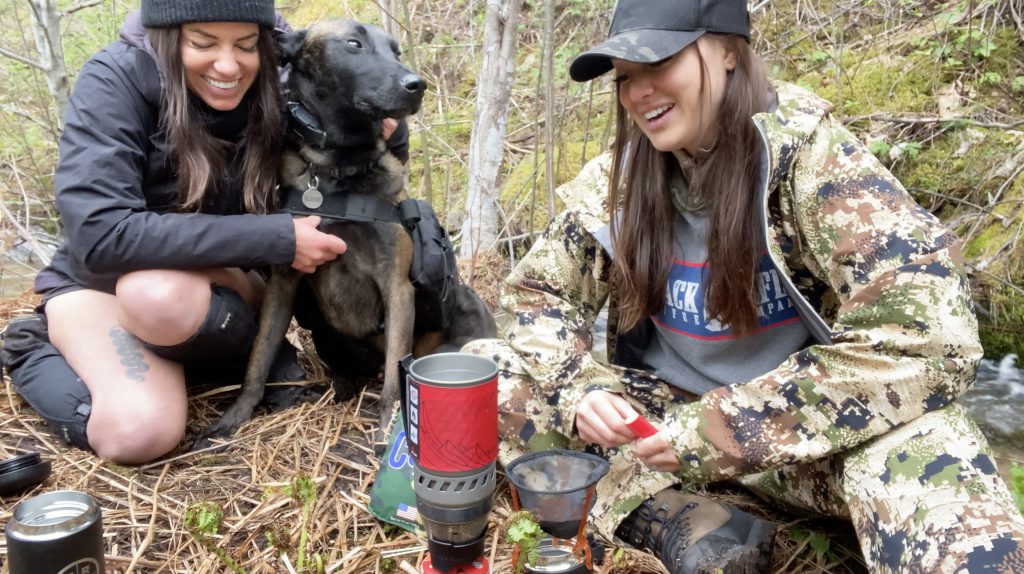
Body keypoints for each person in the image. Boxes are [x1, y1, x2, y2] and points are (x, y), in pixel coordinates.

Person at [464, 0, 1024, 572]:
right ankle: (675, 518)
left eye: (660, 62)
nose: (638, 93)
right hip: (660, 429)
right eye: (626, 77)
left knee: (942, 476)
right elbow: (538, 293)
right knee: (482, 374)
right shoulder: (623, 180)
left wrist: (724, 427)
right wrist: (581, 389)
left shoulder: (815, 163)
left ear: (729, 50)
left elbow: (930, 340)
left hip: (811, 439)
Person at [0, 0, 407, 465]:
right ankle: (29, 348)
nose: (229, 65)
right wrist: (275, 237)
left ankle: (219, 359)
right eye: (203, 43)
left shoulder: (284, 74)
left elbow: (369, 109)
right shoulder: (113, 80)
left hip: (214, 281)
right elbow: (100, 235)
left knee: (162, 302)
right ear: (169, 37)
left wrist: (386, 131)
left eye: (246, 45)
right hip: (101, 286)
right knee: (137, 433)